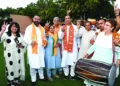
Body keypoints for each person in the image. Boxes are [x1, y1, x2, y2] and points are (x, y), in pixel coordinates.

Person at [84, 19, 120, 86]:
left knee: (101, 81)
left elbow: (119, 49)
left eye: (107, 25)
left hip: (106, 62)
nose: (105, 26)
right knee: (92, 77)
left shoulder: (115, 36)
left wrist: (118, 58)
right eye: (105, 25)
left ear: (112, 28)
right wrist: (87, 53)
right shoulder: (100, 34)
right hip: (96, 59)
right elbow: (95, 45)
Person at [24, 15, 48, 86]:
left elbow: (44, 38)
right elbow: (25, 38)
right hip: (32, 50)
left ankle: (41, 77)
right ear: (33, 19)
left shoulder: (42, 28)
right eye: (35, 19)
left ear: (40, 20)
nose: (37, 20)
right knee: (33, 65)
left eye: (38, 19)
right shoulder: (29, 28)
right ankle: (33, 80)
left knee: (40, 64)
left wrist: (45, 42)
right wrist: (30, 42)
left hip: (41, 50)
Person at [0, 22, 26, 86]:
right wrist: (2, 30)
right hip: (9, 56)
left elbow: (24, 44)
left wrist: (21, 46)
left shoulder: (19, 35)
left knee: (17, 67)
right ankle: (10, 81)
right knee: (10, 67)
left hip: (18, 55)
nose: (14, 28)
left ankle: (16, 80)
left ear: (18, 28)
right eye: (13, 26)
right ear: (10, 27)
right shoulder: (6, 34)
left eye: (16, 26)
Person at [58, 15, 79, 80]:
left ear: (71, 19)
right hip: (65, 48)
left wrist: (79, 46)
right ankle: (66, 74)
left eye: (68, 18)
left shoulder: (75, 27)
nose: (67, 20)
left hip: (73, 48)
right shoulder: (62, 27)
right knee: (65, 61)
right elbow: (60, 37)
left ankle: (72, 74)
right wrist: (62, 31)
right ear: (64, 20)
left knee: (73, 61)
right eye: (66, 18)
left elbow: (78, 38)